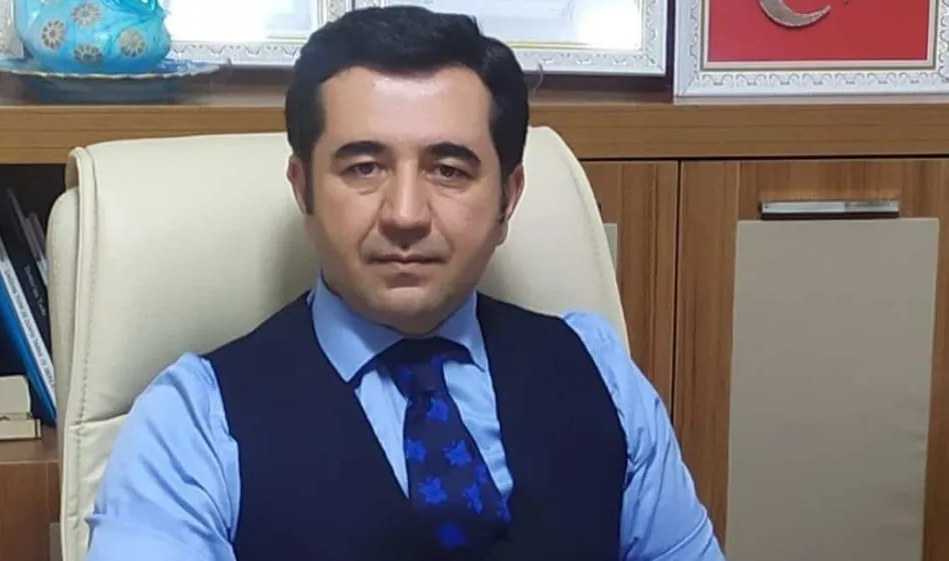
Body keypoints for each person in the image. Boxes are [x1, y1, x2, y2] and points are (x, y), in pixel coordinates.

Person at [84, 5, 724, 561]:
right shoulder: (192, 423)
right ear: (303, 189)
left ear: (508, 198)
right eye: (365, 167)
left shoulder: (600, 373)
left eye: (449, 170)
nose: (405, 214)